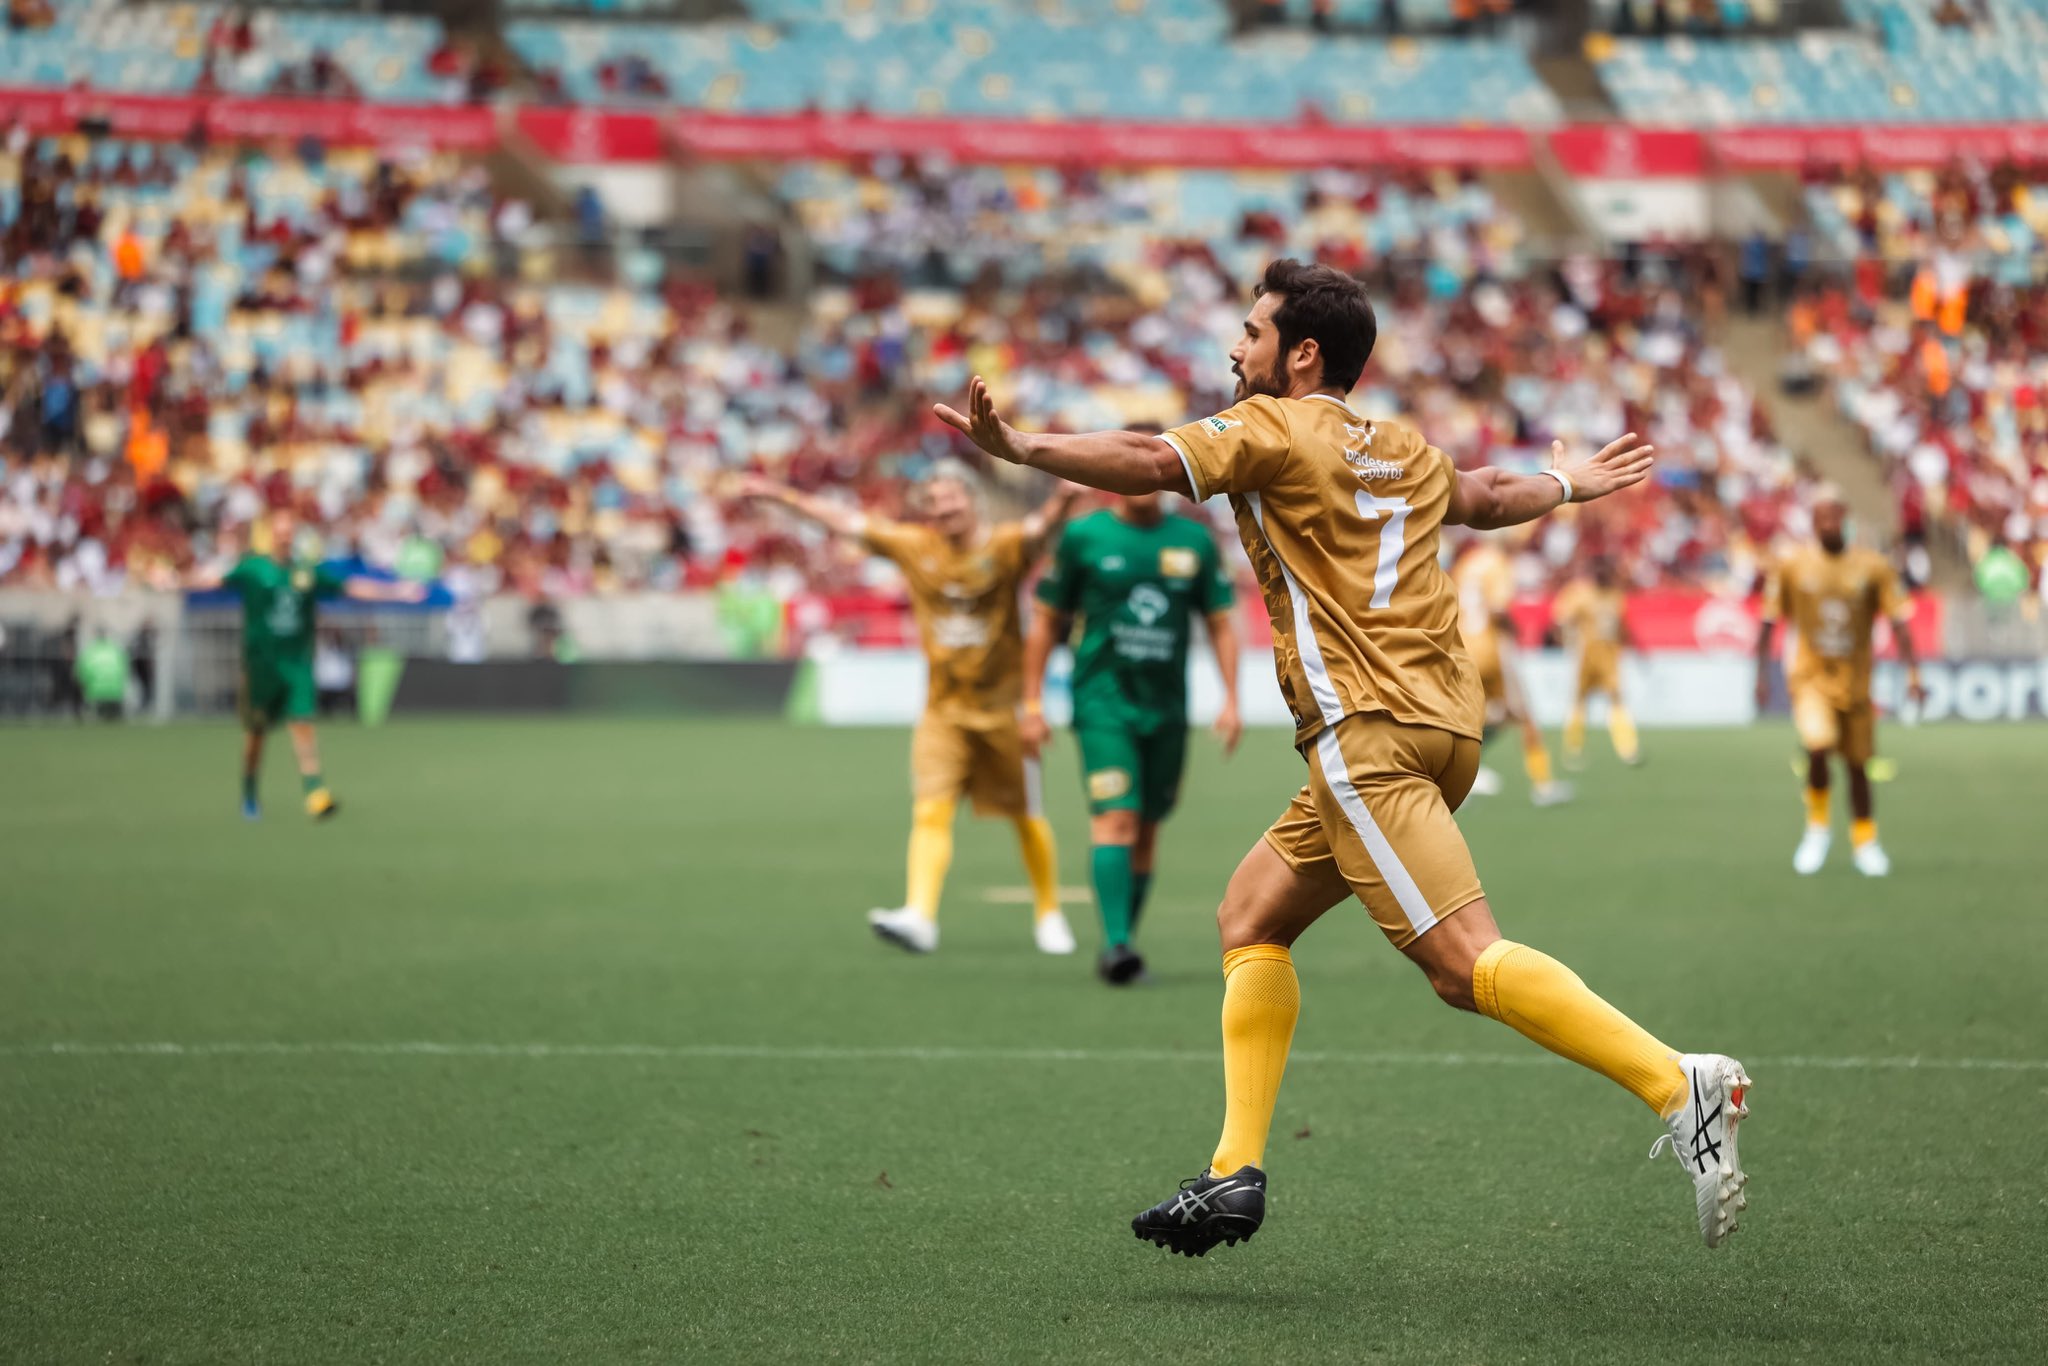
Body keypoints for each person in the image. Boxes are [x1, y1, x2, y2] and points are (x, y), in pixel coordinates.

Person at [936, 258, 1750, 1255]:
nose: (1234, 347)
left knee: (1460, 965)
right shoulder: (1399, 445)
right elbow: (1487, 493)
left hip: (1366, 739)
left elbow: (1150, 460)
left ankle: (1678, 1082)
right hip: (1439, 728)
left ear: (1300, 352)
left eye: (1250, 329)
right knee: (1248, 914)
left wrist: (1018, 445)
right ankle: (1233, 1173)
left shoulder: (1271, 427)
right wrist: (1569, 481)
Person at [737, 465, 1083, 955]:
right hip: (943, 710)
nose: (944, 510)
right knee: (930, 811)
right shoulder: (915, 547)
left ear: (972, 500)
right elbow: (842, 521)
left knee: (1026, 816)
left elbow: (1040, 529)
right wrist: (780, 495)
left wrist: (1064, 501)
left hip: (1004, 710)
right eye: (935, 504)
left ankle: (1049, 914)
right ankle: (920, 915)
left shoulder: (1004, 546)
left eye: (952, 500)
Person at [1020, 430, 1243, 985]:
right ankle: (1116, 946)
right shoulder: (1083, 538)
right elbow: (1047, 622)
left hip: (1166, 710)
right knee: (1116, 818)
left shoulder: (1192, 543)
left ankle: (1125, 937)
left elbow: (1219, 622)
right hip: (1102, 706)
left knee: (1146, 829)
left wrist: (1233, 698)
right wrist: (1031, 702)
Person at [176, 507, 423, 819]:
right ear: (270, 535)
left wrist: (396, 591)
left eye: (288, 532)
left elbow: (350, 588)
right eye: (279, 532)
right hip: (261, 666)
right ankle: (250, 792)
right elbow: (212, 582)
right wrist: (174, 580)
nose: (284, 537)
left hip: (296, 663)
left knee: (302, 724)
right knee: (256, 736)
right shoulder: (254, 569)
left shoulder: (306, 572)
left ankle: (314, 791)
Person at [1754, 487, 1924, 877]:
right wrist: (1761, 675)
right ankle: (1817, 829)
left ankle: (1865, 841)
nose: (1830, 523)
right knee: (1818, 745)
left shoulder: (1873, 567)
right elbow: (1767, 623)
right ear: (1813, 523)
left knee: (1858, 767)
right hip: (1810, 678)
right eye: (1823, 517)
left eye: (1836, 516)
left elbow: (1901, 624)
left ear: (1845, 519)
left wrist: (1914, 674)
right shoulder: (1793, 566)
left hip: (1857, 682)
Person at [1452, 537, 1571, 805]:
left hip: (1463, 648)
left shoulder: (1466, 563)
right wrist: (1516, 631)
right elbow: (1497, 610)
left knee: (1484, 717)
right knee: (1525, 714)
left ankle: (1461, 778)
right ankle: (1544, 785)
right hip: (1493, 649)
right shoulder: (1498, 564)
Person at [1555, 556, 1643, 768]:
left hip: (1609, 656)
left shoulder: (1615, 596)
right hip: (1587, 654)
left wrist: (1635, 647)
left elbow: (1622, 626)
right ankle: (1573, 748)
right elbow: (1563, 620)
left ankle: (1628, 749)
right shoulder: (1581, 595)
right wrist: (1567, 641)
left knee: (1616, 699)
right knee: (1579, 700)